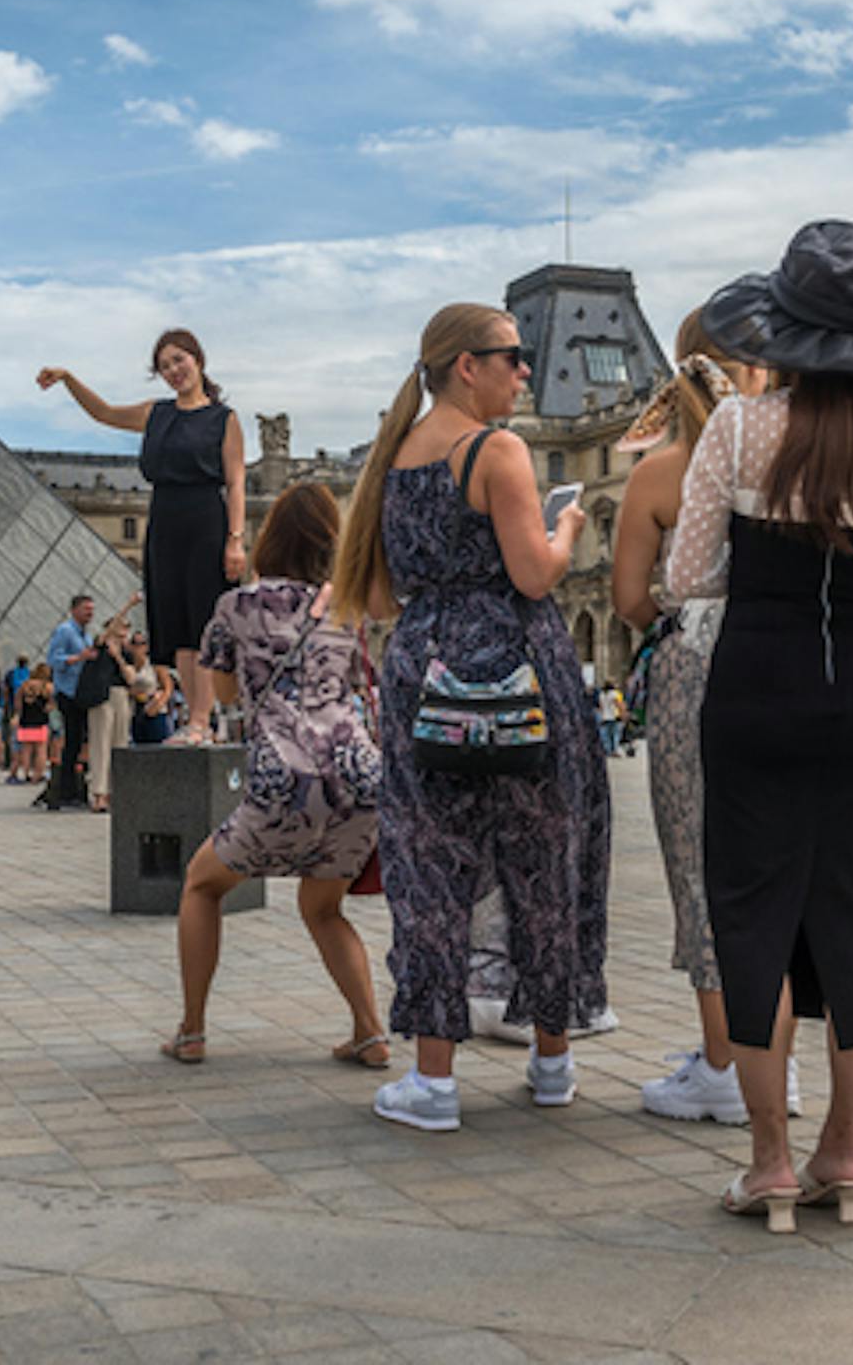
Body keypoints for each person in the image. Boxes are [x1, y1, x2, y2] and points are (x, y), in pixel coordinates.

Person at [670, 220, 853, 1231]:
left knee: (751, 915)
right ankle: (848, 1153)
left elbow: (686, 577)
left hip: (754, 677)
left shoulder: (739, 429)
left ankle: (773, 1163)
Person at [331, 301, 608, 1134]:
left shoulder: (392, 459)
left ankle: (433, 1082)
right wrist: (565, 527)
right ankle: (552, 1065)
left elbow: (376, 595)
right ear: (466, 365)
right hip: (520, 666)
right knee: (544, 859)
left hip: (424, 667)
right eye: (512, 357)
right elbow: (532, 576)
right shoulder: (498, 450)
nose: (523, 371)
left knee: (429, 873)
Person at [609, 313, 782, 1127]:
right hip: (787, 669)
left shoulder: (662, 473)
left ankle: (721, 1063)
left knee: (699, 868)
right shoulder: (795, 462)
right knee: (774, 870)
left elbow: (629, 601)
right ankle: (770, 1061)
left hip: (694, 675)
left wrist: (679, 616)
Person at [164, 483, 387, 1067]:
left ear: (271, 538)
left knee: (202, 884)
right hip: (360, 778)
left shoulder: (236, 606)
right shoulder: (346, 605)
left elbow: (228, 692)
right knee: (322, 908)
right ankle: (371, 1034)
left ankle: (191, 1030)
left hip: (285, 775)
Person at [38, 329, 247, 746]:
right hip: (164, 524)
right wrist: (68, 378)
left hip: (206, 519)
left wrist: (235, 539)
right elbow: (104, 413)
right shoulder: (156, 413)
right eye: (165, 366)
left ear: (198, 359)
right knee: (177, 630)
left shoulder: (224, 419)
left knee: (202, 625)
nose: (173, 370)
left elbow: (236, 481)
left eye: (179, 360)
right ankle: (194, 722)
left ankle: (203, 721)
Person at [41, 595, 102, 811]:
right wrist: (79, 657)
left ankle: (74, 787)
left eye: (92, 609)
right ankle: (66, 790)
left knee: (80, 741)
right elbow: (53, 659)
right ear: (74, 610)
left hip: (81, 693)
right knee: (73, 741)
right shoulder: (65, 631)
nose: (91, 613)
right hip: (68, 693)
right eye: (87, 609)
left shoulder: (85, 634)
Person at [87, 613, 148, 812]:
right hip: (101, 697)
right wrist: (129, 605)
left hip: (121, 696)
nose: (124, 632)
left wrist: (119, 657)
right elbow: (102, 638)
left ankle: (115, 791)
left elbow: (131, 679)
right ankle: (99, 794)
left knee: (119, 744)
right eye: (121, 627)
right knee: (100, 744)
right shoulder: (99, 646)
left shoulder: (126, 653)